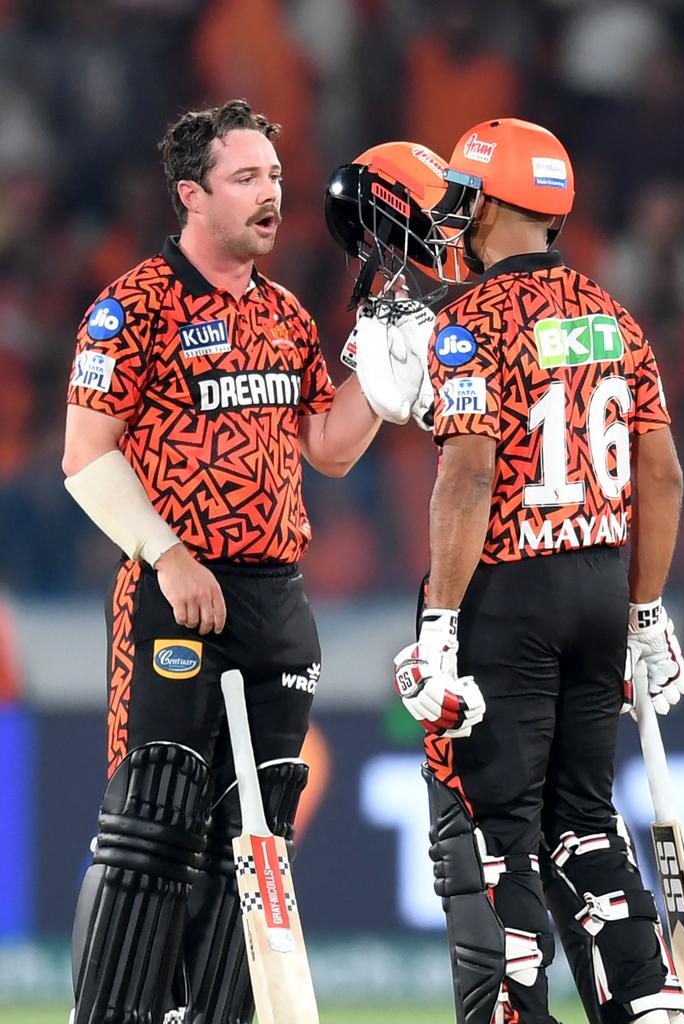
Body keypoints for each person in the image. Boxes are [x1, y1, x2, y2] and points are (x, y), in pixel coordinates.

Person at [62, 99, 388, 1024]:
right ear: (191, 196)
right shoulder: (136, 302)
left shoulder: (284, 315)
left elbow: (327, 445)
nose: (271, 195)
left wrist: (387, 378)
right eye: (247, 178)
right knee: (150, 826)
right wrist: (167, 554)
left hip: (276, 597)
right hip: (175, 589)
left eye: (276, 179)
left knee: (256, 841)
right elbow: (86, 455)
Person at [380, 119, 684, 1024]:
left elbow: (469, 471)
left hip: (507, 600)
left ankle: (516, 1009)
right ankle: (649, 997)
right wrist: (646, 612)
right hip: (601, 591)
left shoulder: (467, 321)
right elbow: (663, 474)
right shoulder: (613, 316)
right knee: (589, 819)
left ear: (485, 204)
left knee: (498, 837)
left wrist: (440, 626)